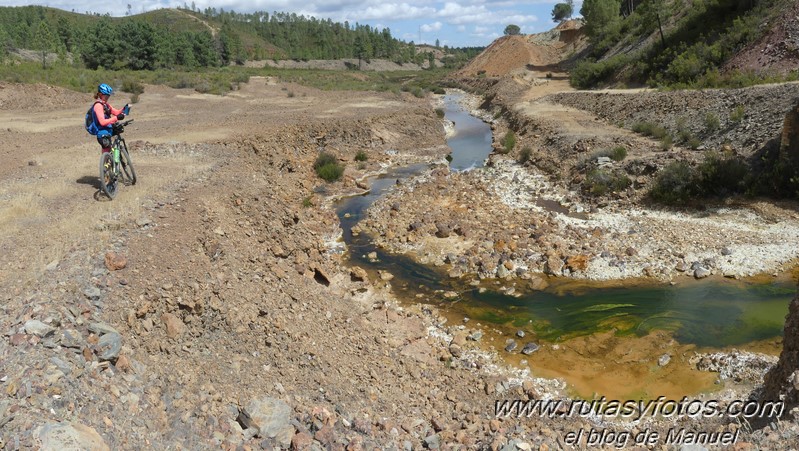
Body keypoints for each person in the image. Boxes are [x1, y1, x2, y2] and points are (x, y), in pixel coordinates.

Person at [90, 83, 127, 155]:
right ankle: (106, 164)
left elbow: (116, 112)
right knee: (107, 151)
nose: (107, 98)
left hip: (108, 131)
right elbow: (102, 122)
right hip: (102, 133)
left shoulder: (106, 105)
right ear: (100, 95)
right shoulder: (98, 106)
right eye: (106, 96)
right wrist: (116, 118)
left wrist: (125, 108)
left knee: (110, 151)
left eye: (108, 96)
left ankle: (110, 163)